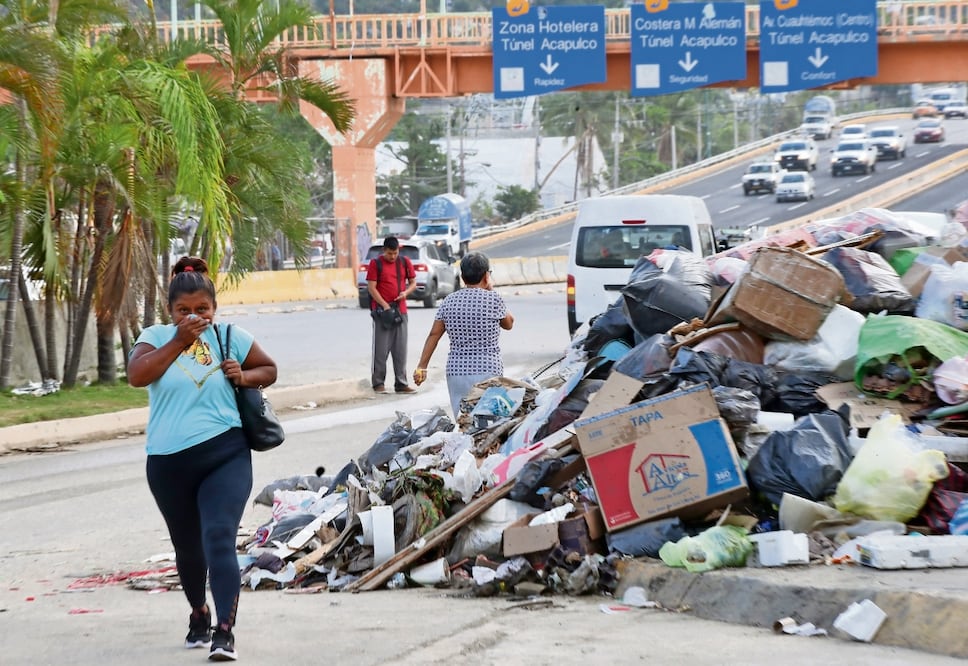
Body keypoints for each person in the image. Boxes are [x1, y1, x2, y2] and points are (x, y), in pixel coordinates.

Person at [128, 256, 278, 662]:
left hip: (224, 453)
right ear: (170, 310)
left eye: (202, 309)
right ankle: (198, 612)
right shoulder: (156, 336)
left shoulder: (230, 335)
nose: (194, 316)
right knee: (188, 548)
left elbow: (269, 368)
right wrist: (180, 340)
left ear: (214, 308)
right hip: (167, 461)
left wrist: (243, 376)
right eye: (183, 310)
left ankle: (223, 633)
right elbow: (137, 375)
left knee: (218, 538)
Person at [412, 252, 514, 417]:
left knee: (463, 420)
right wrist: (491, 289)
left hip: (457, 372)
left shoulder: (449, 301)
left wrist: (422, 366)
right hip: (488, 370)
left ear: (462, 276)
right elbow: (508, 324)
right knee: (490, 422)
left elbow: (434, 335)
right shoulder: (493, 299)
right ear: (486, 275)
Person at [367, 236, 418, 394]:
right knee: (381, 349)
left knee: (400, 348)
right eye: (390, 253)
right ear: (384, 251)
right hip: (383, 312)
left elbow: (413, 282)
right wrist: (384, 305)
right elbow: (371, 287)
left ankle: (401, 383)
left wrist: (406, 293)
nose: (392, 256)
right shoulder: (376, 264)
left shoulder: (404, 262)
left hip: (400, 310)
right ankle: (378, 383)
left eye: (395, 253)